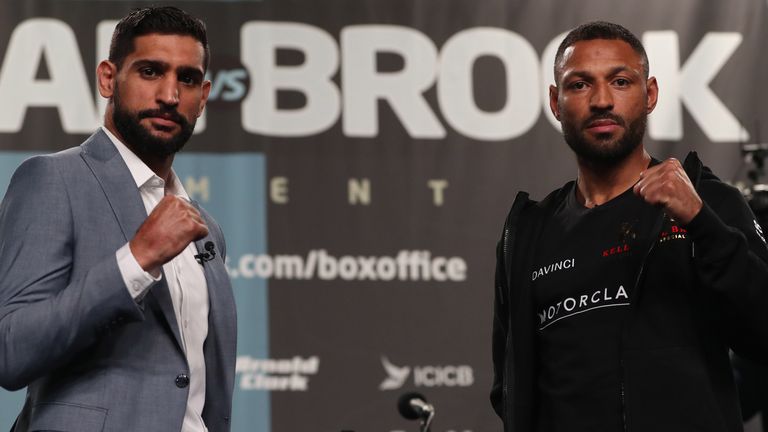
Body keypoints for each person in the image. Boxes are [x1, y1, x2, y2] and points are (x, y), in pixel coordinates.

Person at [491, 21, 768, 432]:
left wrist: (701, 222)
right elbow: (510, 390)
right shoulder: (528, 233)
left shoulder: (708, 202)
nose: (602, 100)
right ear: (555, 101)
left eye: (620, 81)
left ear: (650, 93)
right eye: (580, 85)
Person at [0, 6, 237, 432]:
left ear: (202, 97)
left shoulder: (206, 230)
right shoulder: (53, 180)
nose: (169, 95)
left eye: (186, 79)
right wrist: (136, 260)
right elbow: (11, 349)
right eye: (150, 71)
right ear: (109, 78)